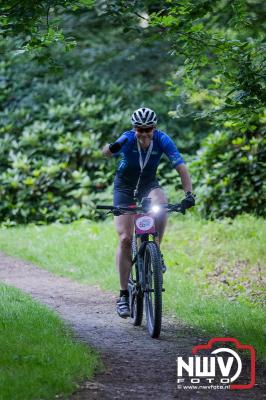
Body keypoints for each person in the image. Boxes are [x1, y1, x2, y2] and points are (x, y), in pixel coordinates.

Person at [102, 107, 195, 318]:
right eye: (139, 129)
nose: (144, 133)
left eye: (148, 129)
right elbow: (106, 153)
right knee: (125, 238)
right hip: (124, 186)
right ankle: (124, 295)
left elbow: (181, 167)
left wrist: (189, 194)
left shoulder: (162, 140)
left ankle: (156, 250)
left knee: (161, 203)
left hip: (148, 184)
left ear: (155, 128)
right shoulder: (127, 138)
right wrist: (112, 147)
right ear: (134, 128)